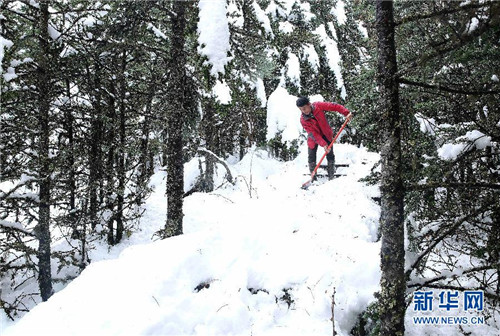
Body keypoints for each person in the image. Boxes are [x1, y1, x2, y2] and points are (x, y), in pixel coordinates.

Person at [296, 96, 352, 180]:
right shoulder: (303, 120)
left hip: (326, 134)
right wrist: (323, 144)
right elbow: (312, 133)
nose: (303, 111)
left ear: (309, 104)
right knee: (311, 155)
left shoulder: (318, 106)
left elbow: (334, 106)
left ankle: (331, 173)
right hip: (314, 138)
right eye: (301, 109)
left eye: (304, 108)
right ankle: (313, 176)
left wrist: (346, 113)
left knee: (330, 153)